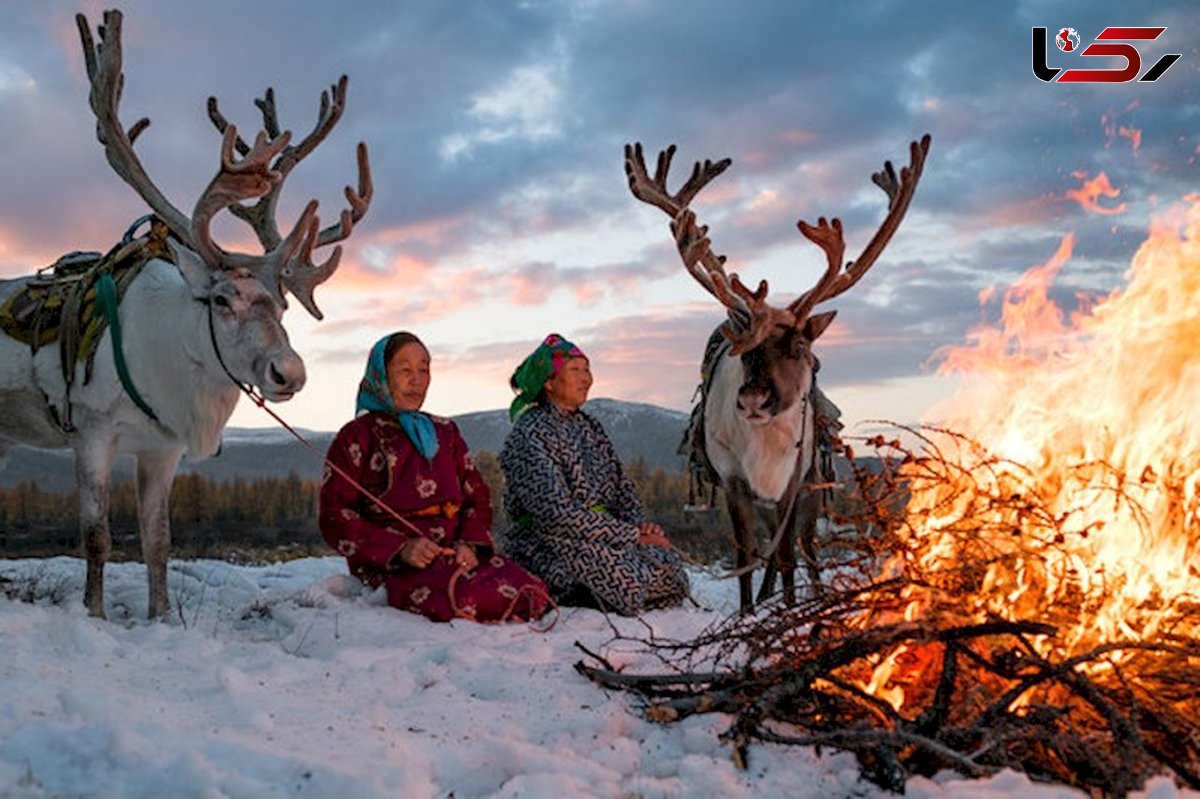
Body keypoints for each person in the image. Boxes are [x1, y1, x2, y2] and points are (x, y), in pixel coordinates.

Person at [319, 331, 549, 623]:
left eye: (423, 370)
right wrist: (401, 549)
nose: (416, 380)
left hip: (455, 553)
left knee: (533, 590)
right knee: (464, 597)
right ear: (380, 375)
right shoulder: (356, 436)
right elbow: (334, 515)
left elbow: (476, 496)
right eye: (404, 370)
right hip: (394, 564)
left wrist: (468, 544)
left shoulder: (445, 432)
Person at [498, 333, 690, 615]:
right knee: (632, 581)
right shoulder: (530, 434)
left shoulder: (590, 428)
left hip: (601, 534)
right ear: (549, 382)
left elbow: (622, 489)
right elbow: (556, 515)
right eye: (575, 370)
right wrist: (629, 535)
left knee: (670, 570)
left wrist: (640, 527)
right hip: (548, 540)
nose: (586, 378)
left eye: (587, 369)